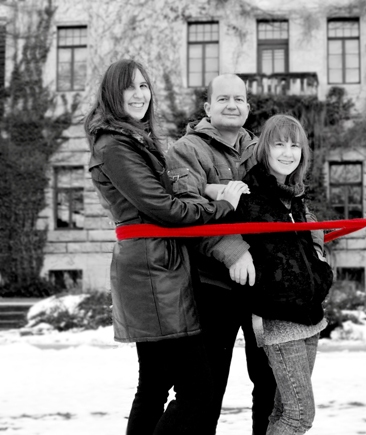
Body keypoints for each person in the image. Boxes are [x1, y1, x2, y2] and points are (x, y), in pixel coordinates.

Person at [85, 59, 248, 435]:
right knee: (198, 392)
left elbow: (163, 193)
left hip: (156, 264)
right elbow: (165, 208)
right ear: (112, 94)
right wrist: (222, 206)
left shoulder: (131, 139)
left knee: (155, 385)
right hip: (152, 270)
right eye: (129, 87)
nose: (140, 94)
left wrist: (206, 189)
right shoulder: (115, 145)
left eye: (144, 86)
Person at [166, 73, 276, 435]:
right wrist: (232, 249)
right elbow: (188, 214)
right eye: (223, 99)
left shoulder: (262, 150)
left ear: (248, 107)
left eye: (239, 99)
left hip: (263, 286)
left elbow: (287, 202)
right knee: (206, 390)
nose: (232, 105)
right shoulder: (187, 150)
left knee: (269, 383)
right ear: (207, 107)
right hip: (212, 286)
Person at [234, 114, 333, 435]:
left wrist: (320, 264)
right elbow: (230, 236)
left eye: (295, 146)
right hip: (278, 318)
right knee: (299, 415)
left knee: (281, 410)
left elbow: (304, 243)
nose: (288, 153)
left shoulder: (293, 193)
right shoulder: (250, 193)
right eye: (279, 144)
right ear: (265, 148)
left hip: (310, 314)